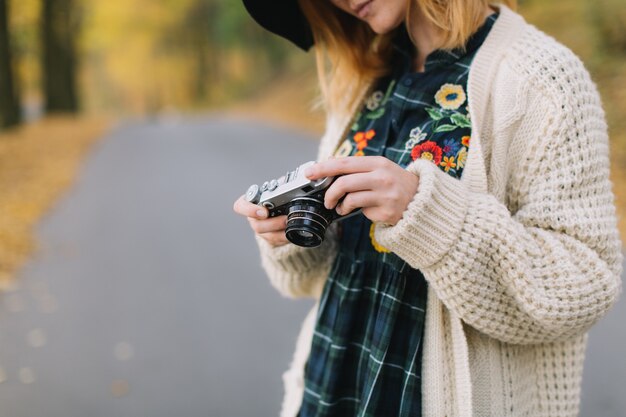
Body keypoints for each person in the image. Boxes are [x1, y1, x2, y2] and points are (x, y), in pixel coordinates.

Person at [233, 1, 623, 416]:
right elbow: (314, 281)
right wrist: (292, 230)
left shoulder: (543, 78)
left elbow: (585, 283)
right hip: (333, 388)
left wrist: (425, 212)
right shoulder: (366, 77)